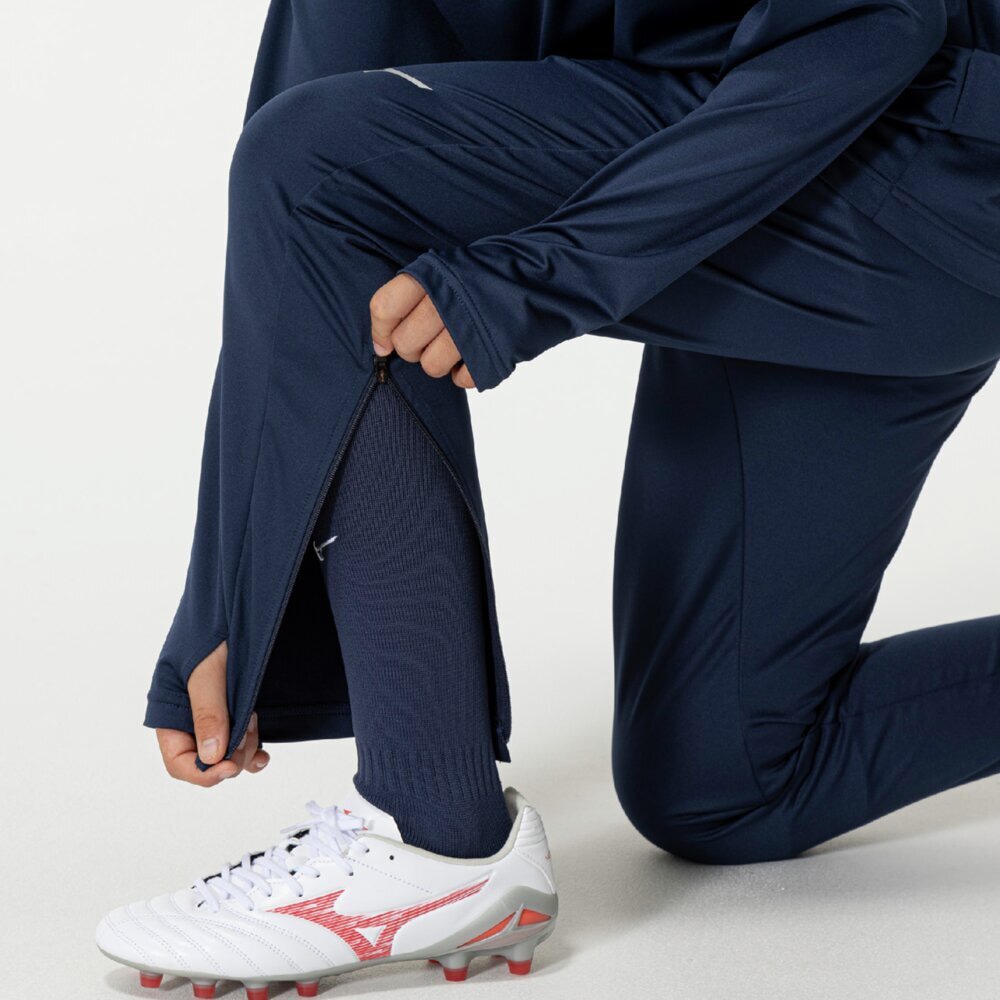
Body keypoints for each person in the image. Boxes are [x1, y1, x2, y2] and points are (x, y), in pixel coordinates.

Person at [97, 1, 1000, 997]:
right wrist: (240, 570)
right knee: (725, 781)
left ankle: (437, 839)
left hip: (916, 168)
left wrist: (531, 278)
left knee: (324, 169)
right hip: (753, 164)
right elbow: (320, 148)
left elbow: (865, 33)